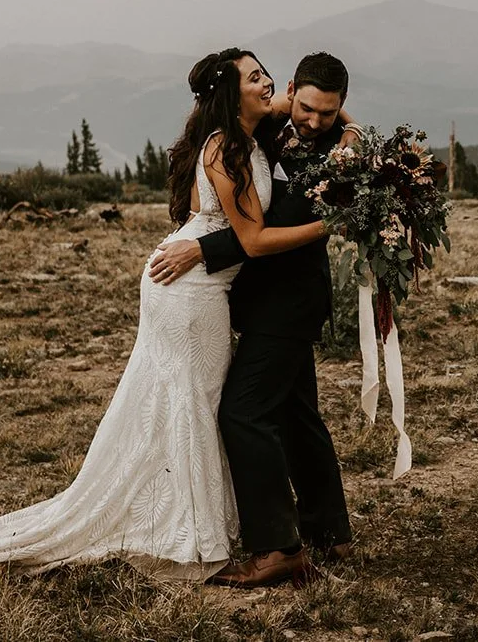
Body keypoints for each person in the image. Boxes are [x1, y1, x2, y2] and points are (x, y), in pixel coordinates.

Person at [0, 48, 328, 587]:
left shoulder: (250, 127)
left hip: (196, 280)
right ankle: (184, 534)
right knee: (190, 406)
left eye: (266, 73)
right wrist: (330, 225)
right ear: (230, 93)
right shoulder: (227, 149)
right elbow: (253, 240)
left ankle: (195, 526)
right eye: (254, 78)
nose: (267, 84)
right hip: (189, 293)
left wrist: (358, 146)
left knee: (191, 405)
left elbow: (330, 112)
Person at [148, 51, 356, 588]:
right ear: (292, 92)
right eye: (306, 108)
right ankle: (328, 530)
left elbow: (271, 229)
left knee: (243, 413)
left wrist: (351, 140)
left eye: (328, 115)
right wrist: (200, 249)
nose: (314, 122)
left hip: (287, 304)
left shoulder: (338, 154)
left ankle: (278, 547)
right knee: (295, 413)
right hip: (254, 298)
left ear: (340, 111)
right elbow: (251, 226)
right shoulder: (264, 125)